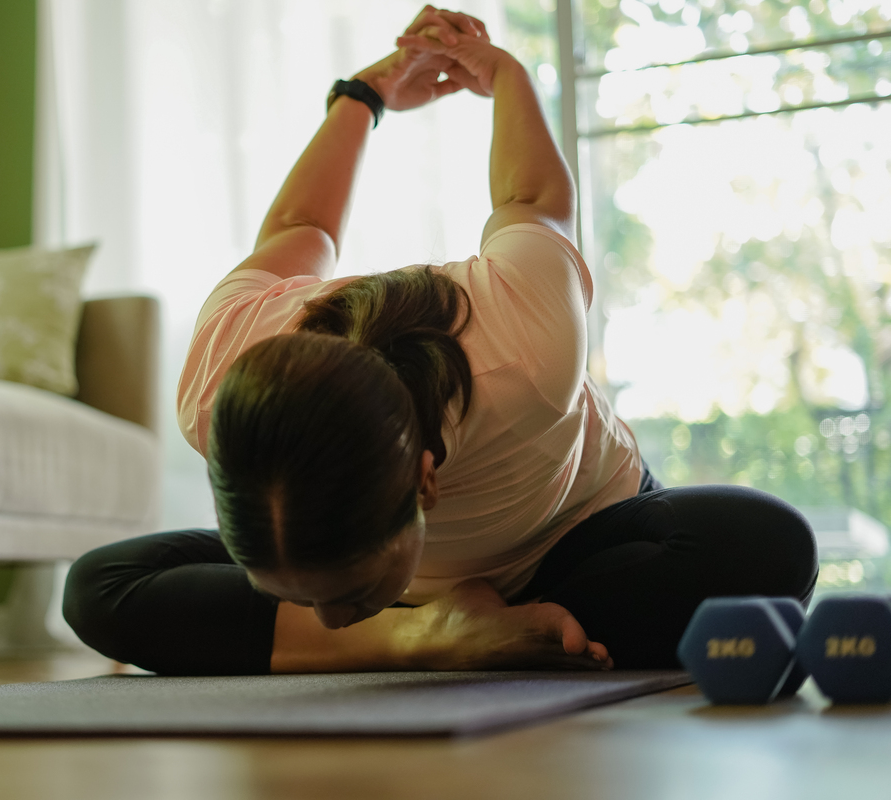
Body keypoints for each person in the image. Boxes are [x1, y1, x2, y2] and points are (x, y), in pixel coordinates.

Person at [63, 6, 818, 676]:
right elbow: (301, 231)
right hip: (417, 606)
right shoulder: (221, 377)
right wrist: (362, 96)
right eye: (304, 599)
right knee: (98, 588)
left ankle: (496, 625)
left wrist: (504, 74)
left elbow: (530, 201)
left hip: (574, 540)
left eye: (354, 594)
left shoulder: (522, 349)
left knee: (765, 545)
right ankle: (440, 636)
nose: (332, 617)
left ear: (425, 480)